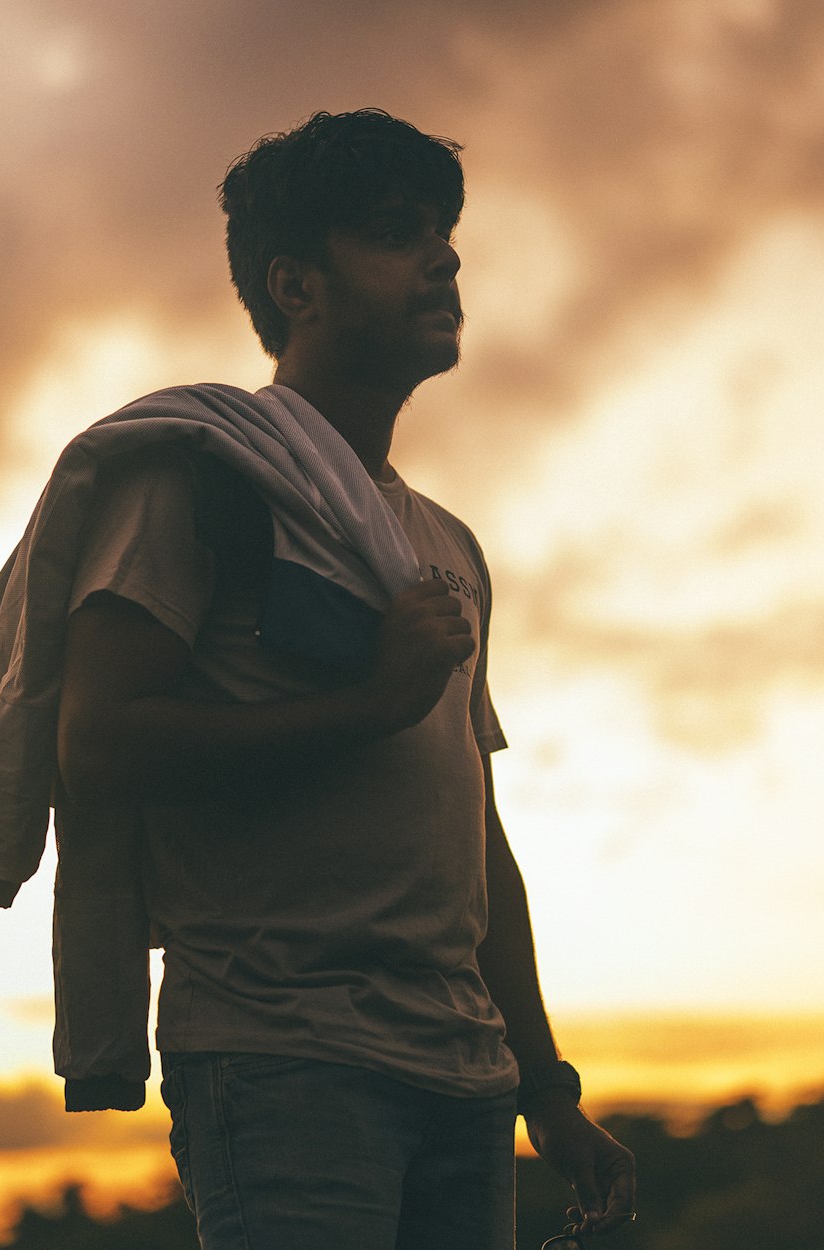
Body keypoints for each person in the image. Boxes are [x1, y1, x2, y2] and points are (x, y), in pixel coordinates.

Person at [45, 110, 635, 1248]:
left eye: (444, 232)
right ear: (295, 285)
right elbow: (100, 740)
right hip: (284, 1061)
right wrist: (367, 704)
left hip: (464, 1073)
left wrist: (545, 1087)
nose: (443, 256)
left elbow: (477, 838)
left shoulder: (445, 545)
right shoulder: (198, 481)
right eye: (395, 232)